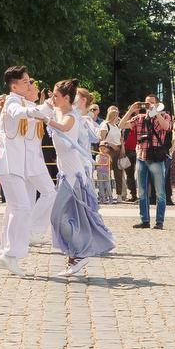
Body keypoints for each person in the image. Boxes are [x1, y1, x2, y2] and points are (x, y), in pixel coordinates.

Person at [0, 66, 55, 275]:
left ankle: (7, 253)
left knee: (16, 209)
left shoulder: (25, 102)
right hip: (9, 164)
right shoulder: (11, 102)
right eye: (26, 81)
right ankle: (11, 253)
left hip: (20, 166)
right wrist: (41, 107)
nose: (30, 84)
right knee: (21, 208)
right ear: (14, 85)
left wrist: (46, 107)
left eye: (29, 81)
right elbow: (19, 113)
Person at [46, 80, 115, 277]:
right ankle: (75, 255)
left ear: (67, 98)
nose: (53, 98)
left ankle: (80, 252)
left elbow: (63, 126)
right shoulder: (59, 110)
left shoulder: (72, 117)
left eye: (56, 96)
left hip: (73, 175)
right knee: (70, 216)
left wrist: (45, 118)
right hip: (64, 174)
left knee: (56, 217)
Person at [126, 97, 172, 229]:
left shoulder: (164, 115)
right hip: (141, 156)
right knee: (141, 191)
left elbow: (167, 127)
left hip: (156, 158)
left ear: (158, 104)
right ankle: (144, 220)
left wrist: (156, 112)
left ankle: (159, 222)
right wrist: (131, 110)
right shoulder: (140, 117)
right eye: (147, 102)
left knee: (160, 192)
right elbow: (121, 125)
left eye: (152, 102)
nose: (149, 104)